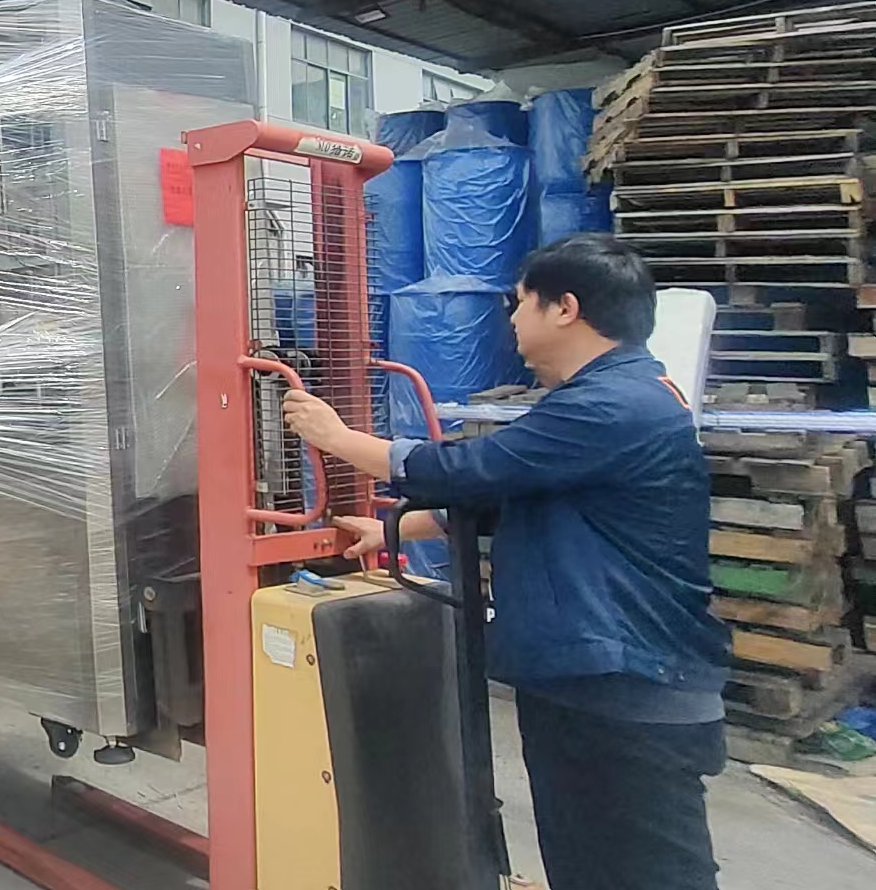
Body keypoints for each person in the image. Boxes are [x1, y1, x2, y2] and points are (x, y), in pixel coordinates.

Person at [282, 233, 730, 890]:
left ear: (564, 308)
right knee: (587, 863)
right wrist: (397, 527)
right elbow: (524, 491)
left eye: (520, 303)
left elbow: (470, 469)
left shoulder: (612, 406)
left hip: (624, 691)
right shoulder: (613, 395)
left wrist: (337, 438)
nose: (513, 319)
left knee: (639, 872)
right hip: (596, 681)